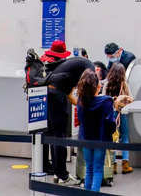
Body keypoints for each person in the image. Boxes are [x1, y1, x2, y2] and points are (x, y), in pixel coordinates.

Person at [47, 55, 95, 185]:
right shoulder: (90, 71)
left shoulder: (79, 66)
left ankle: (58, 173)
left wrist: (80, 105)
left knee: (55, 136)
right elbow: (87, 92)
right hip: (57, 96)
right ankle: (64, 176)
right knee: (60, 136)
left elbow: (71, 94)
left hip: (50, 93)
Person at [76, 69, 116, 191]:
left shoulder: (80, 101)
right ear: (96, 86)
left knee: (89, 169)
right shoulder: (106, 101)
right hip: (100, 140)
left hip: (86, 139)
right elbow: (110, 123)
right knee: (98, 169)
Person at [40, 41, 71, 176]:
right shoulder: (63, 66)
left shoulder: (42, 63)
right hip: (58, 103)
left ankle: (44, 166)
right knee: (59, 136)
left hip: (42, 102)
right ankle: (60, 171)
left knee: (44, 135)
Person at [104, 62, 134, 174]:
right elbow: (131, 98)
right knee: (125, 137)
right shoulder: (124, 84)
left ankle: (113, 164)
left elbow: (103, 98)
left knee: (113, 138)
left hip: (111, 113)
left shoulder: (107, 84)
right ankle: (125, 164)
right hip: (123, 113)